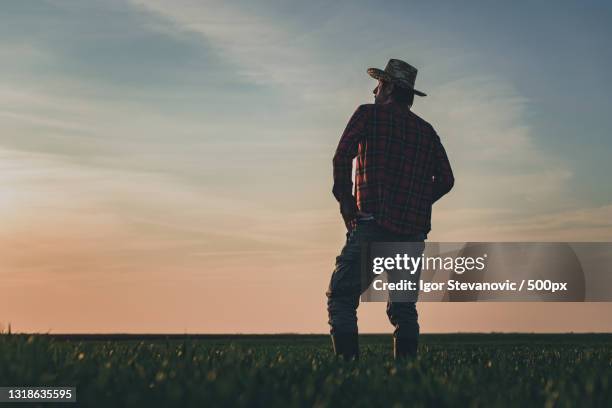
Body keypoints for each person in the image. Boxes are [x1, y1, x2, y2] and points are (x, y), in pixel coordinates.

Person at [326, 59, 455, 360]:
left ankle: (348, 371)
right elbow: (447, 180)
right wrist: (418, 202)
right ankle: (406, 377)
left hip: (371, 224)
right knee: (403, 306)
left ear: (389, 88)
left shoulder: (368, 115)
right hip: (411, 234)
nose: (375, 90)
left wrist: (346, 202)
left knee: (342, 297)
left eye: (379, 84)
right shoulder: (427, 132)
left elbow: (341, 157)